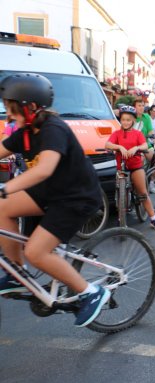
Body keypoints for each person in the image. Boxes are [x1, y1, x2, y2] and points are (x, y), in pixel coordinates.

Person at [0, 73, 110, 327]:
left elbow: (44, 169)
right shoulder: (25, 132)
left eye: (12, 109)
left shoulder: (54, 129)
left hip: (75, 198)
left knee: (36, 252)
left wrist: (7, 187)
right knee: (2, 209)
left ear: (30, 108)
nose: (9, 115)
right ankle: (17, 273)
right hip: (49, 191)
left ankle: (91, 293)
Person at [105, 105, 155, 230]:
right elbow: (107, 144)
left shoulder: (137, 134)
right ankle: (121, 218)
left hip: (136, 166)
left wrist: (136, 148)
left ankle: (153, 218)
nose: (125, 122)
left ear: (133, 121)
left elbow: (144, 145)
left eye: (128, 120)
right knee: (120, 193)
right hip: (122, 167)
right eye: (123, 119)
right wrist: (119, 147)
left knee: (143, 192)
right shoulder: (117, 133)